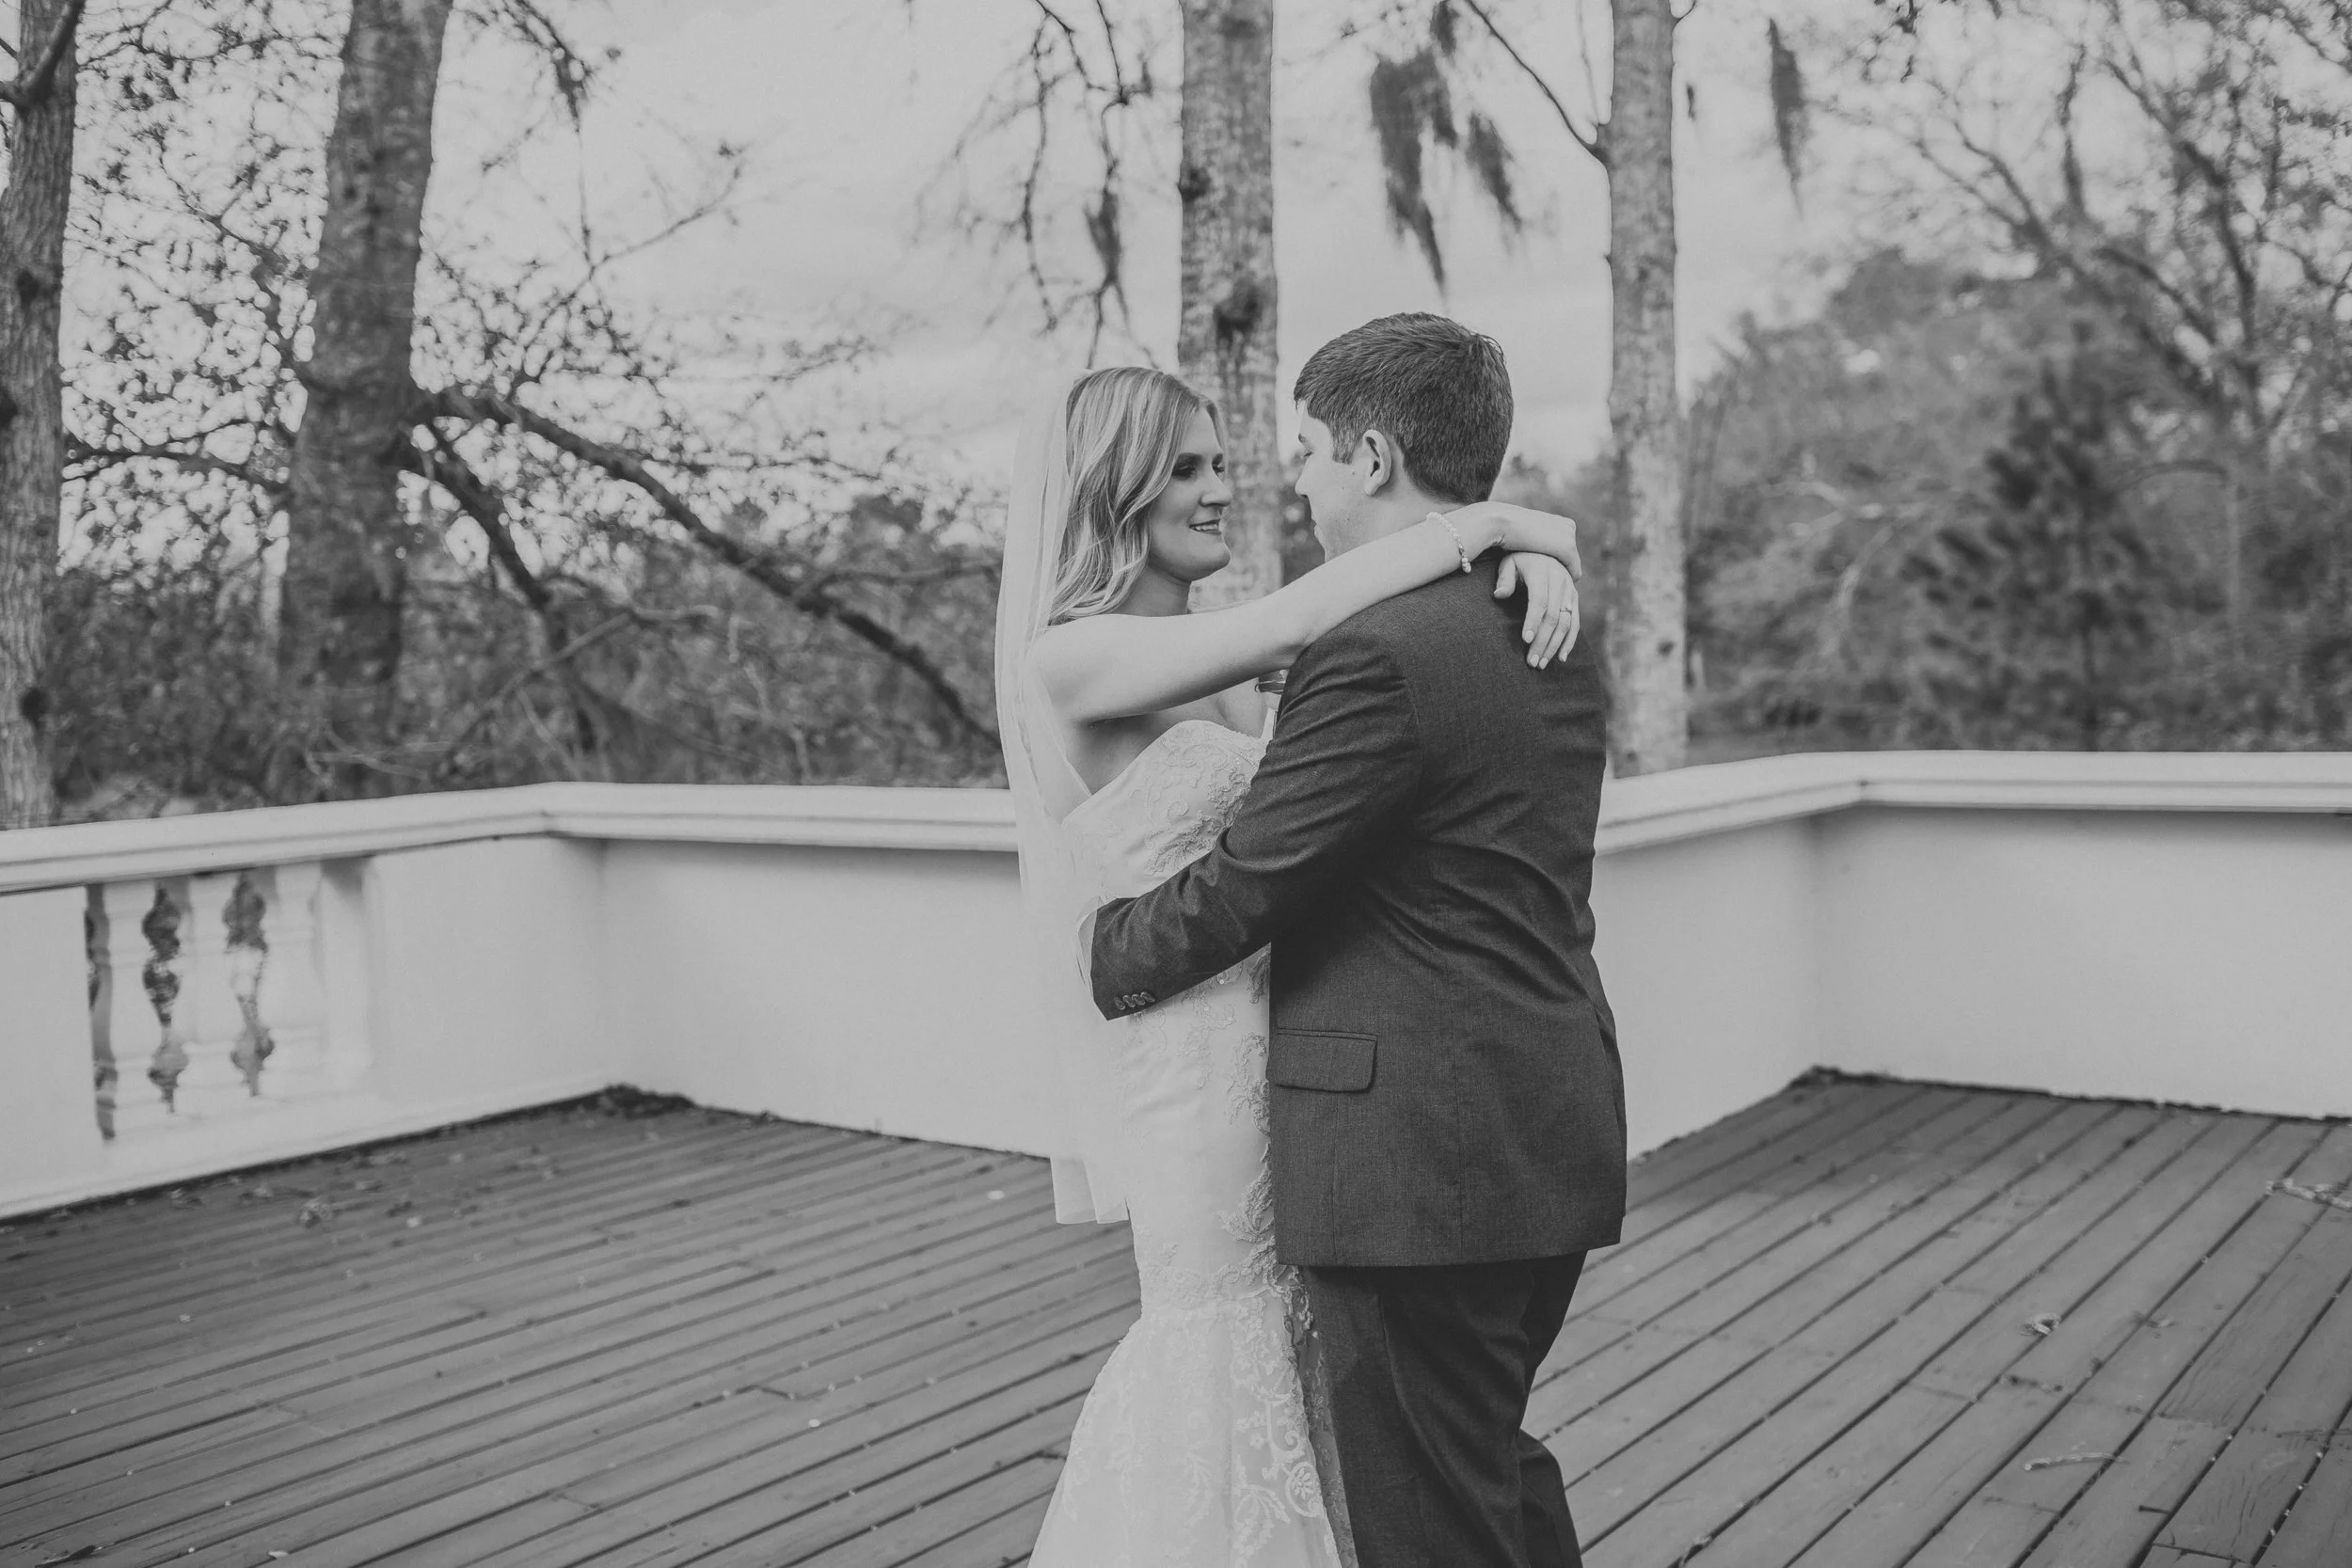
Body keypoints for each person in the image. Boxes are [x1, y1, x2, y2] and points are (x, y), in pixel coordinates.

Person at [996, 357, 1587, 1567]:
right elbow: (1299, 621)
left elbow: (1344, 662)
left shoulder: (1215, 659)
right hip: (1197, 1065)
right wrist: (1499, 524)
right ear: (1114, 487)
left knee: (1356, 1403)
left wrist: (1533, 560)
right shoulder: (1072, 657)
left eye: (1225, 461)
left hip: (1312, 1061)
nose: (1224, 488)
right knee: (1228, 1354)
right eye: (1188, 468)